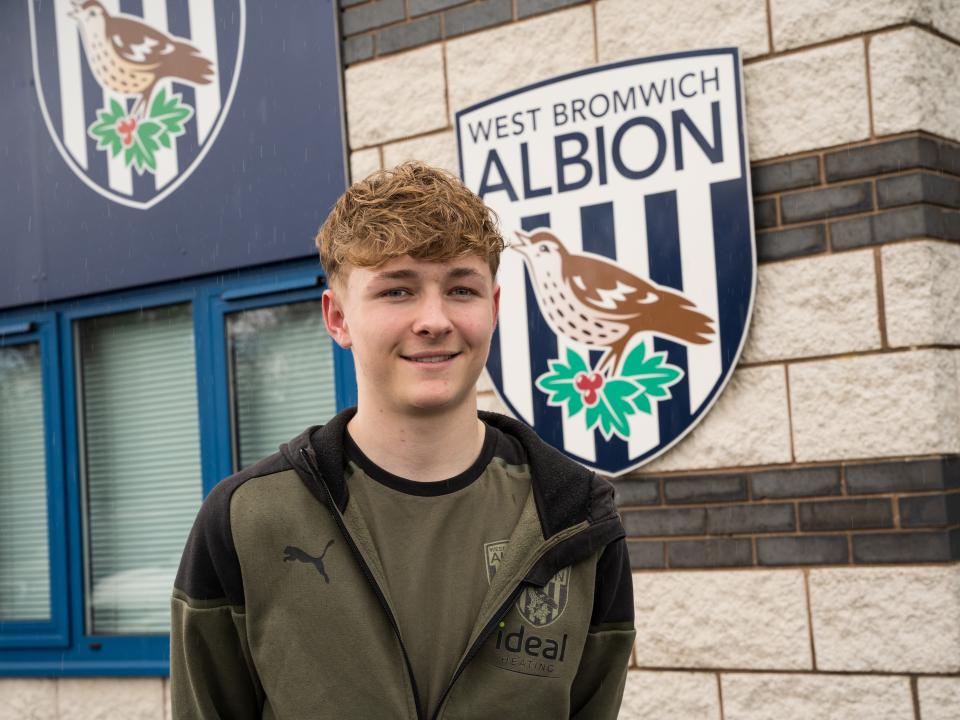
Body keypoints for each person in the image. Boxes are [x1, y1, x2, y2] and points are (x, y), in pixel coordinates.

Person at [170, 161, 636, 719]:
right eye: (397, 291)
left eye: (461, 288)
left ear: (493, 309)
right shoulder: (248, 520)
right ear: (338, 317)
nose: (434, 319)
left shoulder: (575, 520)